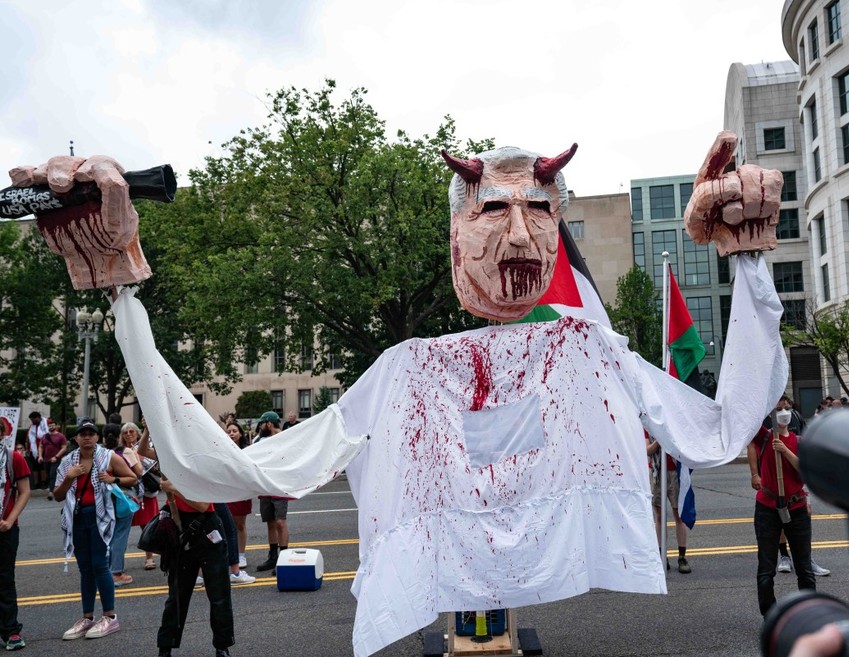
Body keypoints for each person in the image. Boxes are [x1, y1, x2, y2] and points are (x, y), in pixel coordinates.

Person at [37, 138, 790, 657]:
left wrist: (748, 260)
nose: (523, 235)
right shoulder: (406, 373)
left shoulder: (586, 351)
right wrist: (121, 285)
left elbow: (723, 426)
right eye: (495, 209)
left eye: (541, 209)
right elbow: (227, 468)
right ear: (456, 232)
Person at [53, 419, 138, 640]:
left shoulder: (108, 457)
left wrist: (113, 478)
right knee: (85, 568)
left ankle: (110, 617)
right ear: (76, 438)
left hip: (101, 517)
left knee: (100, 564)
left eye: (91, 433)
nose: (87, 437)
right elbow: (58, 496)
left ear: (97, 437)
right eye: (83, 433)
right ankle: (87, 617)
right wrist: (69, 477)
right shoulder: (67, 463)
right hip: (78, 517)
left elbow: (133, 477)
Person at [156, 479, 234, 657]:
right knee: (177, 595)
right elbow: (145, 451)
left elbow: (203, 505)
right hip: (179, 528)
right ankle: (165, 647)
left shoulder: (203, 462)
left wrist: (173, 489)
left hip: (207, 529)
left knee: (218, 595)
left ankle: (222, 646)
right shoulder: (172, 457)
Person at [749, 407, 816, 616]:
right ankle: (770, 614)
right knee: (766, 569)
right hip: (767, 508)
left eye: (787, 408)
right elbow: (747, 420)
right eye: (778, 409)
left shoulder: (800, 442)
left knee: (804, 568)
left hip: (796, 508)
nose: (783, 412)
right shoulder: (765, 436)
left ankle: (809, 613)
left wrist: (785, 451)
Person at [0, 416, 31, 651]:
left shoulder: (13, 458)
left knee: (5, 580)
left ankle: (10, 631)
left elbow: (24, 491)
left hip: (6, 529)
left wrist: (10, 520)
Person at [104, 423, 143, 587]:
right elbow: (138, 473)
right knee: (120, 534)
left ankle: (105, 570)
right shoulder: (125, 452)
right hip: (123, 496)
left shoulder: (101, 453)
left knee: (108, 534)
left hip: (105, 497)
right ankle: (116, 572)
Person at [647, 437, 691, 573]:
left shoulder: (674, 421)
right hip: (657, 472)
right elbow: (648, 450)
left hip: (675, 472)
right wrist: (660, 438)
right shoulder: (649, 424)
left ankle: (682, 557)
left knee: (679, 515)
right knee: (659, 517)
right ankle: (662, 556)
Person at [253, 412, 289, 573]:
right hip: (265, 486)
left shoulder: (284, 437)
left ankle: (284, 558)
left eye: (262, 423)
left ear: (269, 424)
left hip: (280, 485)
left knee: (280, 522)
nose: (260, 426)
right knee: (270, 523)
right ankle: (273, 556)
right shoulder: (258, 440)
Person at [127, 422, 161, 570]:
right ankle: (116, 562)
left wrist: (140, 462)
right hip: (127, 493)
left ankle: (149, 557)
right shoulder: (119, 451)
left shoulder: (143, 448)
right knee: (121, 528)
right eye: (125, 432)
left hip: (146, 492)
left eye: (132, 431)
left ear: (137, 434)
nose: (129, 434)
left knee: (147, 525)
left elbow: (156, 468)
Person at [224, 424, 252, 568]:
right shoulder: (222, 450)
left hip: (241, 491)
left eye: (234, 431)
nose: (231, 434)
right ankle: (230, 554)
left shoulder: (248, 450)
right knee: (226, 525)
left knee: (239, 524)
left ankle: (241, 555)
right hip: (226, 491)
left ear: (240, 434)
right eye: (228, 431)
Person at [40, 419, 68, 500]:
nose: (51, 427)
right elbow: (41, 446)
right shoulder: (45, 436)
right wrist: (40, 456)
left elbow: (64, 447)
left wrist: (56, 457)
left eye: (53, 425)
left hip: (56, 459)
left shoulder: (60, 436)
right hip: (46, 459)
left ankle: (51, 492)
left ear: (56, 426)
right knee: (48, 475)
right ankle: (54, 487)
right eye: (49, 426)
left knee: (53, 474)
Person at [25, 412, 48, 490]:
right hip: (33, 449)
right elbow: (28, 439)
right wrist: (28, 449)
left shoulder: (46, 423)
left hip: (44, 449)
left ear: (37, 418)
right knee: (35, 467)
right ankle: (36, 483)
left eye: (32, 419)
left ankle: (43, 482)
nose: (31, 421)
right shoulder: (32, 427)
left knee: (42, 466)